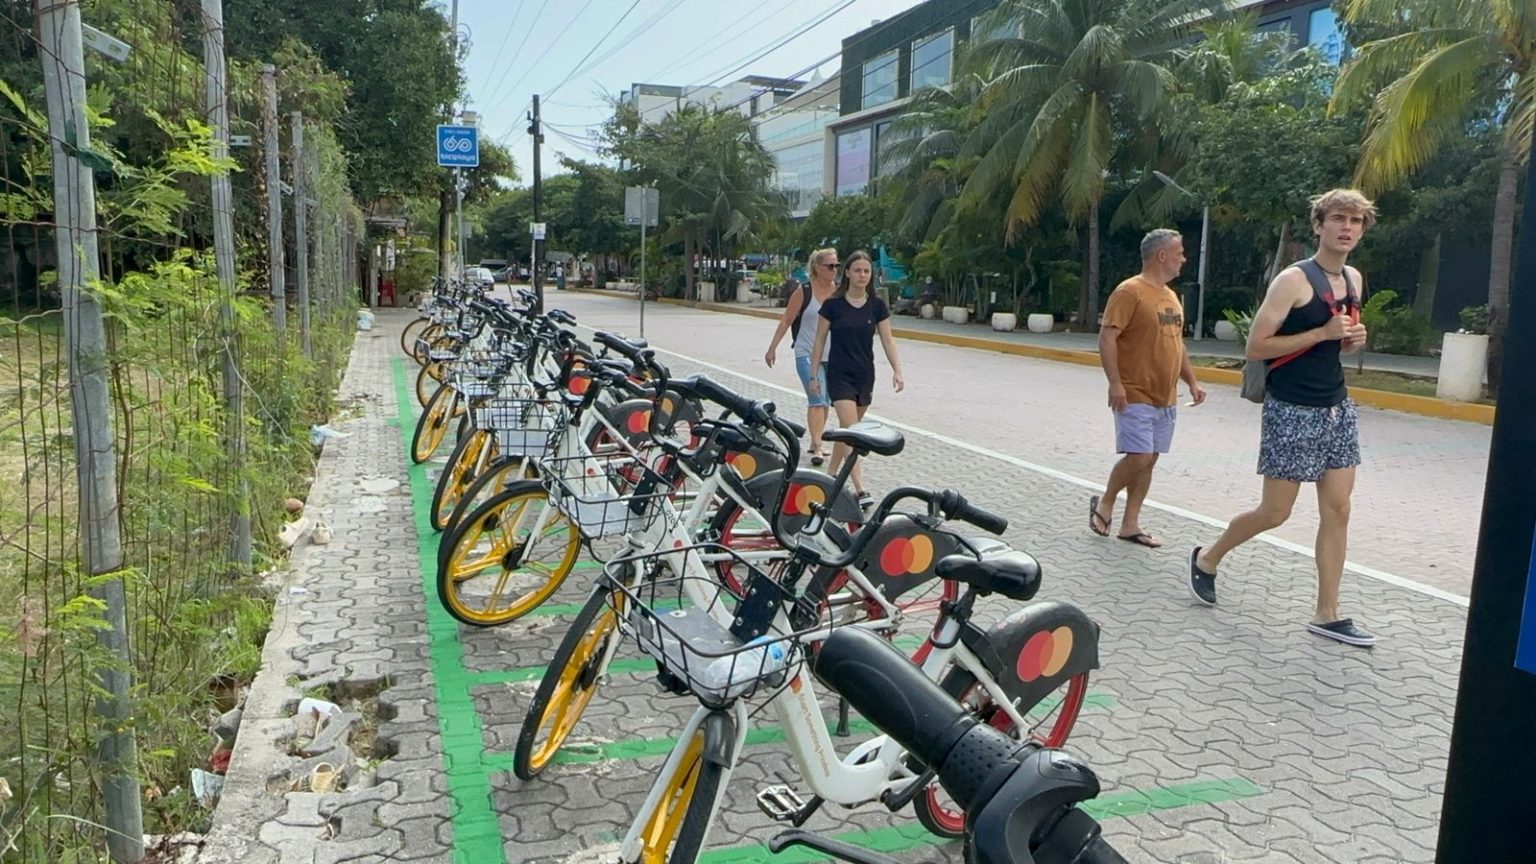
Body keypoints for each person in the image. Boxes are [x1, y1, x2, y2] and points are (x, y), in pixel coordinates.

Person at [1190, 189, 1375, 647]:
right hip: (1291, 408)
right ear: (1319, 225)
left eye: (1355, 221)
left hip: (1336, 407)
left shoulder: (1353, 278)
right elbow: (1256, 346)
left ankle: (1327, 614)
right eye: (1338, 218)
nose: (1347, 228)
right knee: (1275, 512)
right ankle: (1208, 557)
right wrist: (1321, 332)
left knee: (1339, 509)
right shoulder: (1293, 280)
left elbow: (1336, 342)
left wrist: (1349, 340)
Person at [1090, 229, 1206, 549]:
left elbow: (1177, 344)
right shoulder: (1130, 291)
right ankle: (1106, 501)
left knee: (1150, 459)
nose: (1184, 259)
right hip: (1134, 390)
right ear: (1161, 255)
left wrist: (1192, 381)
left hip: (1165, 396)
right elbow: (1107, 337)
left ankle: (1130, 524)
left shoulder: (1171, 297)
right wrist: (1115, 383)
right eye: (1179, 253)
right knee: (1139, 456)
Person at [807, 250, 905, 508]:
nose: (862, 275)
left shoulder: (877, 306)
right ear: (848, 273)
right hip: (839, 375)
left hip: (864, 375)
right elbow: (819, 341)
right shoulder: (833, 305)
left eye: (866, 271)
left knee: (848, 431)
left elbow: (887, 340)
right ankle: (861, 489)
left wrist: (897, 370)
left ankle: (830, 476)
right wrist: (814, 374)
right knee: (852, 432)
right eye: (857, 270)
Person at [765, 249, 838, 465]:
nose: (834, 270)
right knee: (817, 398)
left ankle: (816, 440)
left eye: (836, 265)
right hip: (806, 353)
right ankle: (817, 446)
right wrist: (772, 348)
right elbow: (786, 320)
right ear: (817, 267)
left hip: (832, 355)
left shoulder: (838, 292)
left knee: (825, 401)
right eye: (830, 266)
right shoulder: (803, 291)